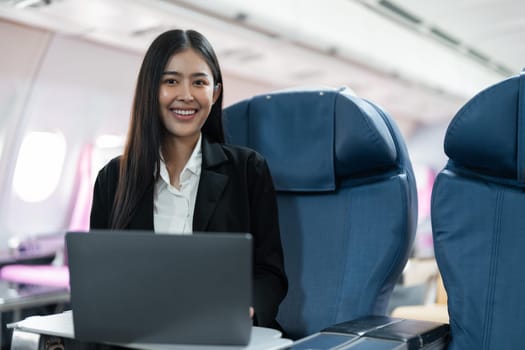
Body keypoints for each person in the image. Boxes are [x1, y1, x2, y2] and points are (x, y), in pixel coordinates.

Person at [89, 29, 288, 330]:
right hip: (139, 336)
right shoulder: (113, 179)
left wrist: (246, 307)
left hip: (223, 337)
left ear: (215, 93)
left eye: (199, 82)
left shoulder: (248, 170)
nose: (186, 95)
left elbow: (269, 273)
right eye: (171, 81)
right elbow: (97, 277)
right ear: (151, 90)